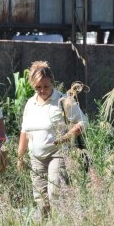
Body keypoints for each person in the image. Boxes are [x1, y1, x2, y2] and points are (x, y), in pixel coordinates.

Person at [17, 60, 88, 217]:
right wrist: (20, 157)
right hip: (36, 158)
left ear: (52, 82)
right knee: (40, 198)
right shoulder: (30, 104)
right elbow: (24, 131)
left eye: (46, 86)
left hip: (58, 153)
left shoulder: (63, 101)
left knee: (55, 192)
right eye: (38, 87)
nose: (42, 90)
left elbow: (83, 121)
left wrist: (69, 135)